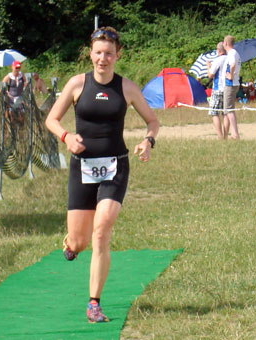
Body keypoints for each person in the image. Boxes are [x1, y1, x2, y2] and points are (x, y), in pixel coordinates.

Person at [45, 26, 159, 323]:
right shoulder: (76, 84)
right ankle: (71, 244)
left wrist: (148, 141)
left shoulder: (127, 87)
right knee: (80, 241)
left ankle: (93, 303)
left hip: (115, 166)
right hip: (81, 168)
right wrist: (66, 137)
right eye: (98, 53)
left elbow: (152, 121)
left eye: (109, 53)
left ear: (117, 55)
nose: (103, 59)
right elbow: (51, 119)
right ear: (91, 54)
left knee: (102, 230)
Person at [206, 42, 227, 139]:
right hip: (228, 88)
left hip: (218, 88)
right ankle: (226, 135)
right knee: (226, 113)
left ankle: (220, 136)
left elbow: (210, 75)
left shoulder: (218, 60)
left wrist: (208, 66)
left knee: (214, 112)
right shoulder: (230, 58)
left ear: (219, 50)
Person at [223, 35, 241, 139]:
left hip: (230, 84)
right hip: (233, 84)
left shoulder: (231, 53)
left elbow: (232, 64)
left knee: (229, 110)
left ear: (226, 43)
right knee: (227, 110)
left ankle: (235, 133)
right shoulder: (235, 53)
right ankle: (226, 134)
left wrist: (230, 74)